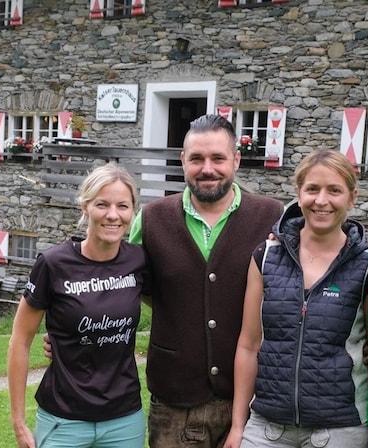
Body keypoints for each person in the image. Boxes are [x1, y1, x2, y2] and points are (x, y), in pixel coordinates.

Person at [133, 114, 283, 447]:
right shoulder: (150, 219)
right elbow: (120, 286)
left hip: (252, 401)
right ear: (183, 160)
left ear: (236, 160)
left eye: (218, 158)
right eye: (197, 158)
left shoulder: (273, 217)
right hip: (174, 400)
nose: (207, 168)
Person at [225, 150, 368, 448]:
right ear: (298, 192)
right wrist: (238, 426)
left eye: (334, 190)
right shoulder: (266, 257)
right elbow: (248, 345)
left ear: (352, 197)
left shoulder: (367, 267)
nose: (321, 200)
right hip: (267, 427)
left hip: (340, 429)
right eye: (312, 189)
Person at [7, 163, 149, 448]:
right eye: (102, 204)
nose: (113, 215)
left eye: (123, 206)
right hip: (63, 419)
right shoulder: (53, 263)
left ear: (133, 210)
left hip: (124, 419)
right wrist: (18, 421)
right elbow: (19, 341)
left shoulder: (140, 261)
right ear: (85, 207)